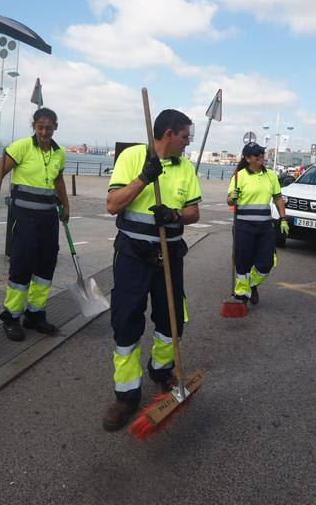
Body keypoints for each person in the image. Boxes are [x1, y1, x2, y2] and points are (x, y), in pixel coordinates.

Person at [101, 109, 201, 432]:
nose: (188, 143)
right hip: (132, 255)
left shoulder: (185, 167)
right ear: (169, 134)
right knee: (127, 319)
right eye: (185, 137)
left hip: (169, 254)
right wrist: (145, 177)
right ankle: (126, 395)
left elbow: (194, 212)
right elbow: (113, 204)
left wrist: (174, 215)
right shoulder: (132, 157)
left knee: (170, 317)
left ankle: (161, 370)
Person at [0, 109, 69, 340]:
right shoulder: (21, 147)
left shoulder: (59, 153)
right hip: (24, 218)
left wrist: (65, 205)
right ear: (33, 126)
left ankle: (35, 314)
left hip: (48, 219)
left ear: (55, 127)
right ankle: (12, 316)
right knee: (21, 266)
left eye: (49, 128)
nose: (44, 132)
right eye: (40, 127)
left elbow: (58, 180)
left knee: (45, 267)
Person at [227, 142, 288, 305]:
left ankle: (252, 284)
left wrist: (283, 218)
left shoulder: (271, 176)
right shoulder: (239, 176)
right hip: (243, 227)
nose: (262, 158)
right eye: (257, 155)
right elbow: (229, 201)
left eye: (262, 154)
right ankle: (241, 294)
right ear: (248, 159)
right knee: (243, 262)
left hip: (264, 227)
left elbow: (278, 198)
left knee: (266, 263)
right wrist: (232, 197)